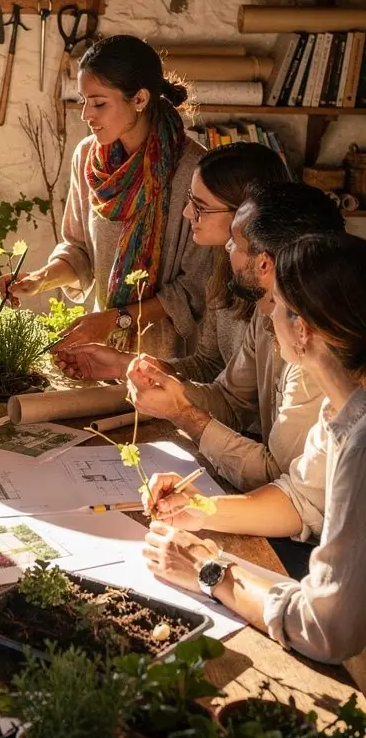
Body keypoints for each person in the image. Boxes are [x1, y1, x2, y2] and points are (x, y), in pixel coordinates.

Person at [142, 233, 366, 672]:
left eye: (276, 304)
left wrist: (210, 571)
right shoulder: (339, 407)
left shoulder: (360, 440)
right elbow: (303, 498)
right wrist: (201, 509)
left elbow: (325, 627)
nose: (268, 315)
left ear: (303, 330)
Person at [3, 34, 210, 360]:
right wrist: (39, 279)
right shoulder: (87, 158)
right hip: (103, 353)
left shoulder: (194, 171)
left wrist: (116, 319)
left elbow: (194, 287)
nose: (86, 115)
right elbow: (79, 250)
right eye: (84, 101)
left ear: (140, 99)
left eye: (99, 103)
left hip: (169, 362)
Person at [126, 182, 343, 492]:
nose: (227, 249)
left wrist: (182, 413)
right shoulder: (267, 309)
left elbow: (277, 478)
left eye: (235, 243)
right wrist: (172, 389)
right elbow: (231, 400)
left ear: (264, 263)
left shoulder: (314, 351)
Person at [53, 140, 288, 383]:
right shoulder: (221, 271)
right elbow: (209, 367)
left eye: (201, 207)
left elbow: (245, 404)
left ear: (246, 213)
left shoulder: (282, 303)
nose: (187, 213)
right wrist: (122, 366)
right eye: (190, 200)